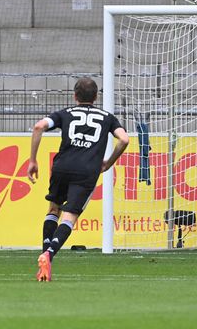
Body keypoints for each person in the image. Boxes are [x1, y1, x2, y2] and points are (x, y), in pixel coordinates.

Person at [27, 77, 129, 282]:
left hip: (62, 167)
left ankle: (45, 259)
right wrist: (108, 162)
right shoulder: (107, 117)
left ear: (75, 96)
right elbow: (124, 139)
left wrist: (33, 160)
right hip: (86, 171)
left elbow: (38, 127)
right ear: (96, 97)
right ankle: (48, 254)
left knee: (53, 210)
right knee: (69, 218)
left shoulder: (65, 114)